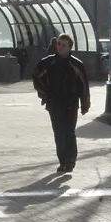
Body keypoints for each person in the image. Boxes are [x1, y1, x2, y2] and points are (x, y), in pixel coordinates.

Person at [32, 33, 91, 173]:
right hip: (54, 103)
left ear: (70, 47)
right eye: (58, 44)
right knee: (59, 133)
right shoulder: (48, 62)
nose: (60, 47)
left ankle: (70, 161)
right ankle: (62, 161)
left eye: (64, 45)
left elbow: (84, 84)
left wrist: (85, 102)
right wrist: (44, 93)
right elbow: (36, 76)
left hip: (71, 103)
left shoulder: (76, 64)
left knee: (69, 132)